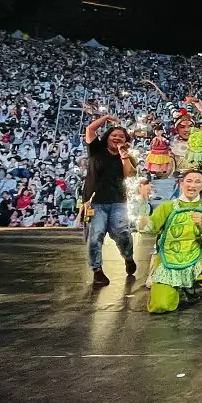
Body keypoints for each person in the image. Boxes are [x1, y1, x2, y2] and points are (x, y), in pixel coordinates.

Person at [143, 169, 202, 313]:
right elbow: (149, 228)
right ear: (181, 184)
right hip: (168, 259)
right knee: (161, 306)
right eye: (189, 181)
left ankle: (190, 286)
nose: (192, 185)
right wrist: (142, 206)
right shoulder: (166, 207)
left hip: (194, 256)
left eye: (198, 182)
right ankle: (168, 281)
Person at [82, 113, 137, 286]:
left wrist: (124, 156)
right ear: (107, 137)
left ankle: (128, 257)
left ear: (125, 140)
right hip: (95, 201)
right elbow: (90, 129)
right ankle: (97, 270)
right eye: (114, 135)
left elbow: (130, 174)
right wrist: (105, 118)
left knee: (123, 233)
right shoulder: (96, 149)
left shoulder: (126, 156)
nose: (117, 138)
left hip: (118, 201)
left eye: (121, 136)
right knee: (95, 235)